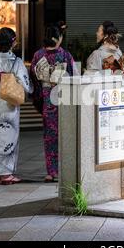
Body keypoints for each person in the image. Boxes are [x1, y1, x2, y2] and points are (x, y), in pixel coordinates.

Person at [0, 27, 33, 185]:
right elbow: (25, 84)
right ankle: (6, 175)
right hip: (8, 102)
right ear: (13, 43)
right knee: (8, 137)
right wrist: (26, 90)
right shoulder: (15, 61)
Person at [30, 22, 76, 183]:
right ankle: (66, 170)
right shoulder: (65, 55)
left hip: (46, 97)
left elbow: (34, 79)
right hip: (63, 97)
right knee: (66, 135)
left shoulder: (38, 55)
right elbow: (74, 77)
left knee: (50, 136)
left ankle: (51, 171)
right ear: (58, 38)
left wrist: (39, 96)